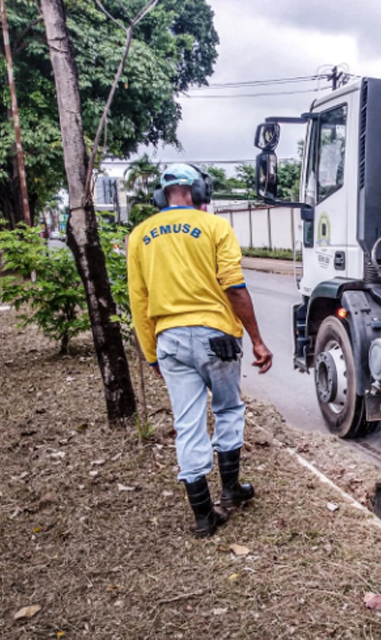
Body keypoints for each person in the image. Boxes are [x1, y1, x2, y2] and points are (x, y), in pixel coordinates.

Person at [127, 163, 273, 538]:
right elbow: (234, 287)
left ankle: (204, 515)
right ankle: (231, 489)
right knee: (227, 408)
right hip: (217, 339)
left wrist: (151, 355)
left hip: (169, 341)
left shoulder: (139, 235)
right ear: (199, 191)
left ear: (162, 195)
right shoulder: (215, 227)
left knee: (188, 423)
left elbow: (139, 301)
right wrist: (256, 339)